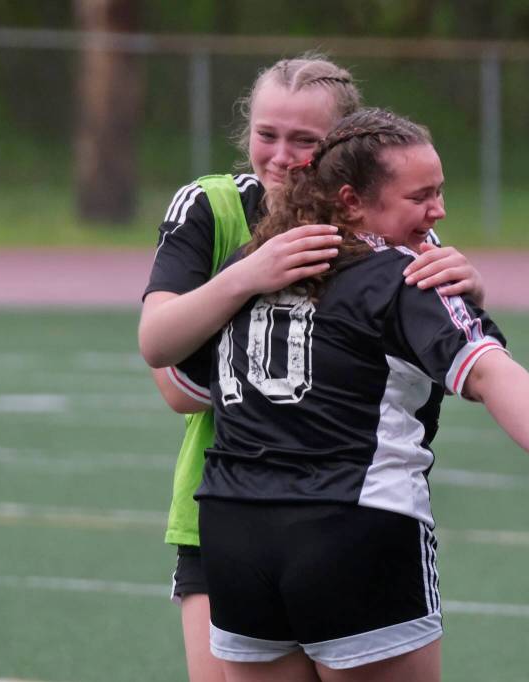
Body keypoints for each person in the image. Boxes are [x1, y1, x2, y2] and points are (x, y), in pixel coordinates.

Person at [173, 107, 529, 682]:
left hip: (233, 531)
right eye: (421, 196)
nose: (439, 211)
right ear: (351, 201)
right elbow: (490, 372)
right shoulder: (405, 274)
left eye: (440, 192)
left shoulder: (252, 265)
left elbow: (186, 382)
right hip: (351, 521)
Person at [138, 56, 488, 682]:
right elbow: (168, 369)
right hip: (223, 508)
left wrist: (472, 294)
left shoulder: (389, 231)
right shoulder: (213, 206)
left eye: (304, 141)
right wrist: (250, 274)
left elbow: (446, 360)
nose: (279, 155)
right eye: (266, 134)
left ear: (345, 152)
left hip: (347, 512)